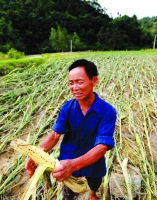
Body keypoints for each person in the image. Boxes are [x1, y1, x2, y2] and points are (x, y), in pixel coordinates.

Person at [25, 59, 117, 200]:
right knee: (68, 194)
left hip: (93, 168)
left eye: (79, 82)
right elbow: (55, 135)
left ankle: (92, 194)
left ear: (94, 81)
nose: (74, 87)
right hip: (67, 167)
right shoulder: (67, 108)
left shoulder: (107, 111)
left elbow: (102, 147)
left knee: (93, 190)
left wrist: (74, 165)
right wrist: (36, 153)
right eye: (71, 83)